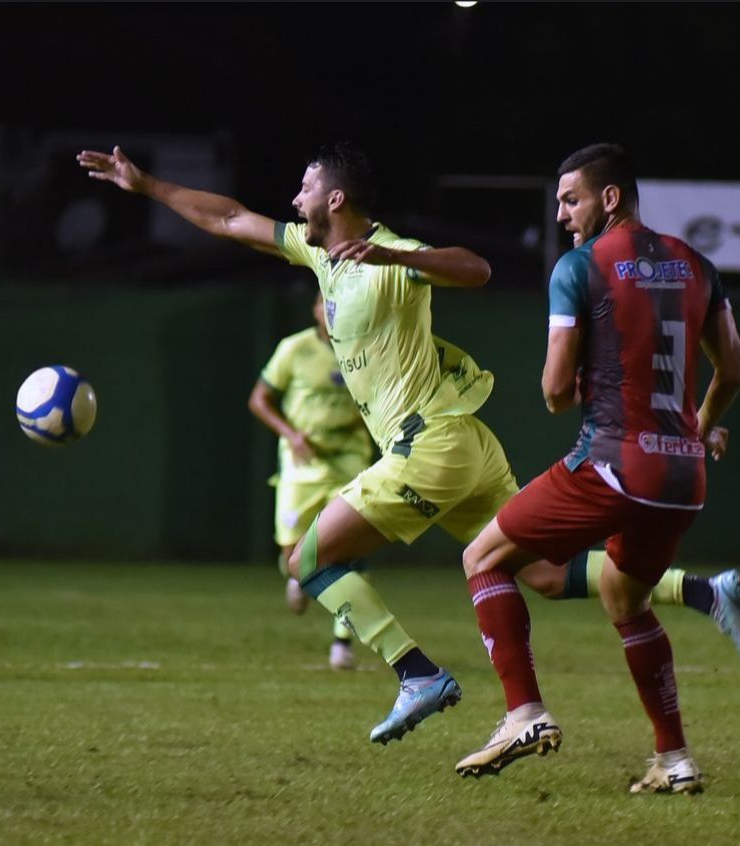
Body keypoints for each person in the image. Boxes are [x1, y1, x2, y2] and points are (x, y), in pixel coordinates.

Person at [78, 142, 514, 745]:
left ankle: (418, 674)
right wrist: (147, 184)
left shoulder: (396, 256)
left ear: (335, 198)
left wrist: (390, 255)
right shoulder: (320, 253)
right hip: (461, 438)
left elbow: (478, 269)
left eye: (304, 188)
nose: (293, 199)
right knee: (543, 570)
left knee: (307, 559)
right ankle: (689, 588)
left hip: (428, 442)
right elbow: (228, 218)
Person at [456, 143, 740, 794]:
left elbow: (551, 387)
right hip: (684, 477)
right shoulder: (697, 265)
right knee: (624, 597)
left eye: (571, 199)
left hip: (613, 464)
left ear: (610, 197)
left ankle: (524, 713)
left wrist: (568, 388)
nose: (563, 214)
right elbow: (733, 369)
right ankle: (674, 759)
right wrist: (699, 427)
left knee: (483, 557)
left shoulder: (580, 267)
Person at [248, 292, 375, 671]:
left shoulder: (366, 350)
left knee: (349, 550)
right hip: (302, 463)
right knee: (293, 557)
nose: (333, 310)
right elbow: (259, 399)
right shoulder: (294, 349)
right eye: (326, 303)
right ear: (316, 309)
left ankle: (342, 642)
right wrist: (291, 434)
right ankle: (298, 577)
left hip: (349, 460)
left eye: (340, 303)